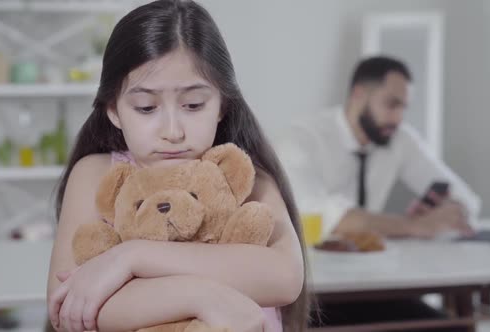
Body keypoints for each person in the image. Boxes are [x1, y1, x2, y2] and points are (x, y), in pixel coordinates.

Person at [46, 1, 308, 331]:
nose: (173, 132)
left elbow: (284, 278)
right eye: (145, 107)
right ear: (113, 109)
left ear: (222, 105)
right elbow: (68, 307)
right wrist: (203, 295)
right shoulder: (97, 175)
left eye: (193, 104)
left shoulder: (243, 177)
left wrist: (131, 258)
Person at [275, 56, 481, 330]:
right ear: (359, 95)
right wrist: (417, 226)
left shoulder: (398, 139)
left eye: (403, 107)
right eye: (391, 104)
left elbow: (467, 200)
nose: (398, 118)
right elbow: (328, 218)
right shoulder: (301, 138)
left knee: (452, 328)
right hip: (312, 293)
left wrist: (440, 211)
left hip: (372, 283)